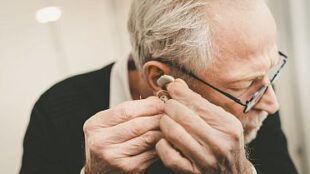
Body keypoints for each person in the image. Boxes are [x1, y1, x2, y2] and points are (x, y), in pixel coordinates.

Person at [20, 0, 298, 173]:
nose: (272, 104)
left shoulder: (255, 104)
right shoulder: (56, 110)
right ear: (159, 80)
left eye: (268, 73)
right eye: (246, 83)